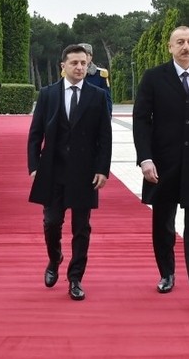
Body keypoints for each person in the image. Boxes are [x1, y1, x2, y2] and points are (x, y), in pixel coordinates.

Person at [132, 25, 189, 308]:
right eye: (180, 42)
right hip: (162, 164)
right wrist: (145, 158)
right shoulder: (154, 78)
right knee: (163, 223)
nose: (186, 47)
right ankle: (167, 273)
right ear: (170, 47)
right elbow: (141, 120)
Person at [27, 44, 112, 301]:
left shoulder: (97, 96)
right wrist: (33, 167)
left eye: (83, 63)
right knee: (52, 222)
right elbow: (35, 134)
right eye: (74, 63)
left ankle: (75, 278)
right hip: (52, 169)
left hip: (84, 172)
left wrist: (102, 169)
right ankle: (55, 258)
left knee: (81, 227)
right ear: (62, 65)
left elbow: (104, 138)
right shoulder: (48, 94)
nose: (79, 67)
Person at [78, 43, 113, 117]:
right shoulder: (69, 74)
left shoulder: (100, 74)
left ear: (91, 57)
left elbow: (106, 99)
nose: (83, 58)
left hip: (94, 116)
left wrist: (107, 118)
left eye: (86, 55)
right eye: (80, 55)